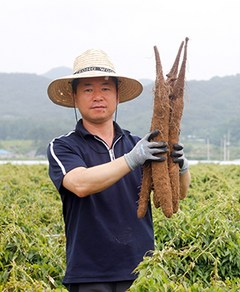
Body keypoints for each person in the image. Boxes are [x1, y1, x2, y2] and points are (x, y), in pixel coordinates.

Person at [47, 49, 191, 291]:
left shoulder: (140, 144)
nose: (97, 96)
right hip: (89, 274)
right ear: (74, 96)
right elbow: (80, 184)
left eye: (105, 88)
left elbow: (178, 195)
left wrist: (181, 166)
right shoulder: (64, 146)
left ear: (116, 95)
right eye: (88, 89)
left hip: (142, 269)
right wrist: (132, 159)